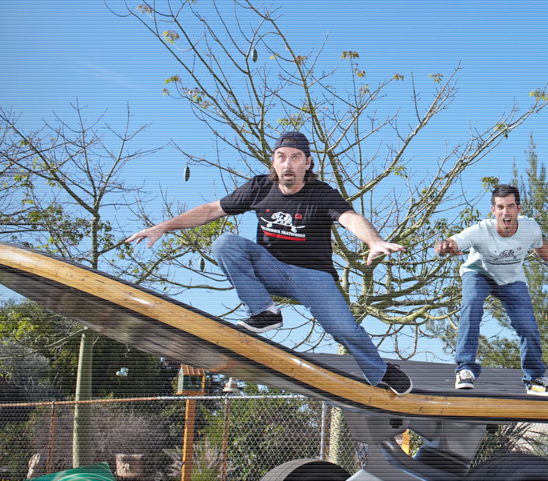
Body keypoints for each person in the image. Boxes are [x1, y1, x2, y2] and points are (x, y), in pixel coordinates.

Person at [127, 131, 412, 395]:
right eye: (281, 157)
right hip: (272, 269)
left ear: (308, 163)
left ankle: (380, 371)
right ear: (274, 162)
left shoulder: (322, 193)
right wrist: (164, 226)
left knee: (346, 330)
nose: (288, 165)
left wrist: (373, 240)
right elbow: (212, 210)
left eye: (296, 158)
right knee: (226, 243)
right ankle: (265, 311)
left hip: (313, 276)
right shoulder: (259, 187)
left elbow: (350, 218)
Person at [434, 183, 548, 396]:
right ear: (493, 210)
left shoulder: (530, 227)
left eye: (511, 207)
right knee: (471, 307)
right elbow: (451, 241)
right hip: (479, 274)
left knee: (528, 326)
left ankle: (534, 379)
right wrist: (442, 246)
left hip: (511, 280)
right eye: (501, 207)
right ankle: (465, 369)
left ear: (519, 209)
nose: (506, 212)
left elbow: (539, 244)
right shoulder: (480, 230)